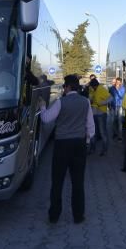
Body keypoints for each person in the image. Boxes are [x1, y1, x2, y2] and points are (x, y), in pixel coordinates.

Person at [40, 74, 94, 224]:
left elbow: (46, 119)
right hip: (79, 145)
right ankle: (78, 216)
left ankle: (54, 215)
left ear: (68, 87)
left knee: (57, 182)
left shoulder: (60, 102)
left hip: (62, 145)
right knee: (78, 182)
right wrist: (87, 140)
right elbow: (90, 125)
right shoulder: (85, 102)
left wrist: (42, 106)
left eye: (64, 86)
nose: (63, 89)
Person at [88, 77, 111, 156]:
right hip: (93, 113)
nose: (91, 88)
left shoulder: (101, 89)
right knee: (93, 132)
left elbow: (111, 98)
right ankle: (92, 149)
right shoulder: (92, 90)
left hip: (101, 113)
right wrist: (90, 99)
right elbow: (91, 99)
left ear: (95, 85)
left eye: (92, 87)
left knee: (102, 132)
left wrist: (102, 103)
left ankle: (104, 150)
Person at [107, 77, 125, 141]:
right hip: (113, 106)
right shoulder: (111, 88)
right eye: (116, 82)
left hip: (119, 106)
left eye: (118, 82)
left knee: (119, 121)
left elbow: (121, 96)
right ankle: (114, 133)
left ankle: (120, 136)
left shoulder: (122, 88)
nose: (116, 83)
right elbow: (109, 97)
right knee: (113, 121)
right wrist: (109, 105)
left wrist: (117, 89)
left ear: (120, 82)